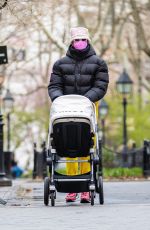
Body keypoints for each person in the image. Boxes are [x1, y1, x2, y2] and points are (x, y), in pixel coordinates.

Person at [48, 27, 109, 203]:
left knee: (85, 145)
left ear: (88, 40)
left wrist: (85, 100)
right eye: (76, 40)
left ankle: (84, 187)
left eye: (82, 39)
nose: (79, 42)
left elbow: (101, 85)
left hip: (87, 108)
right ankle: (71, 188)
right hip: (65, 110)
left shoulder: (99, 63)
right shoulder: (60, 64)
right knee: (67, 145)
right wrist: (60, 101)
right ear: (71, 42)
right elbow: (54, 86)